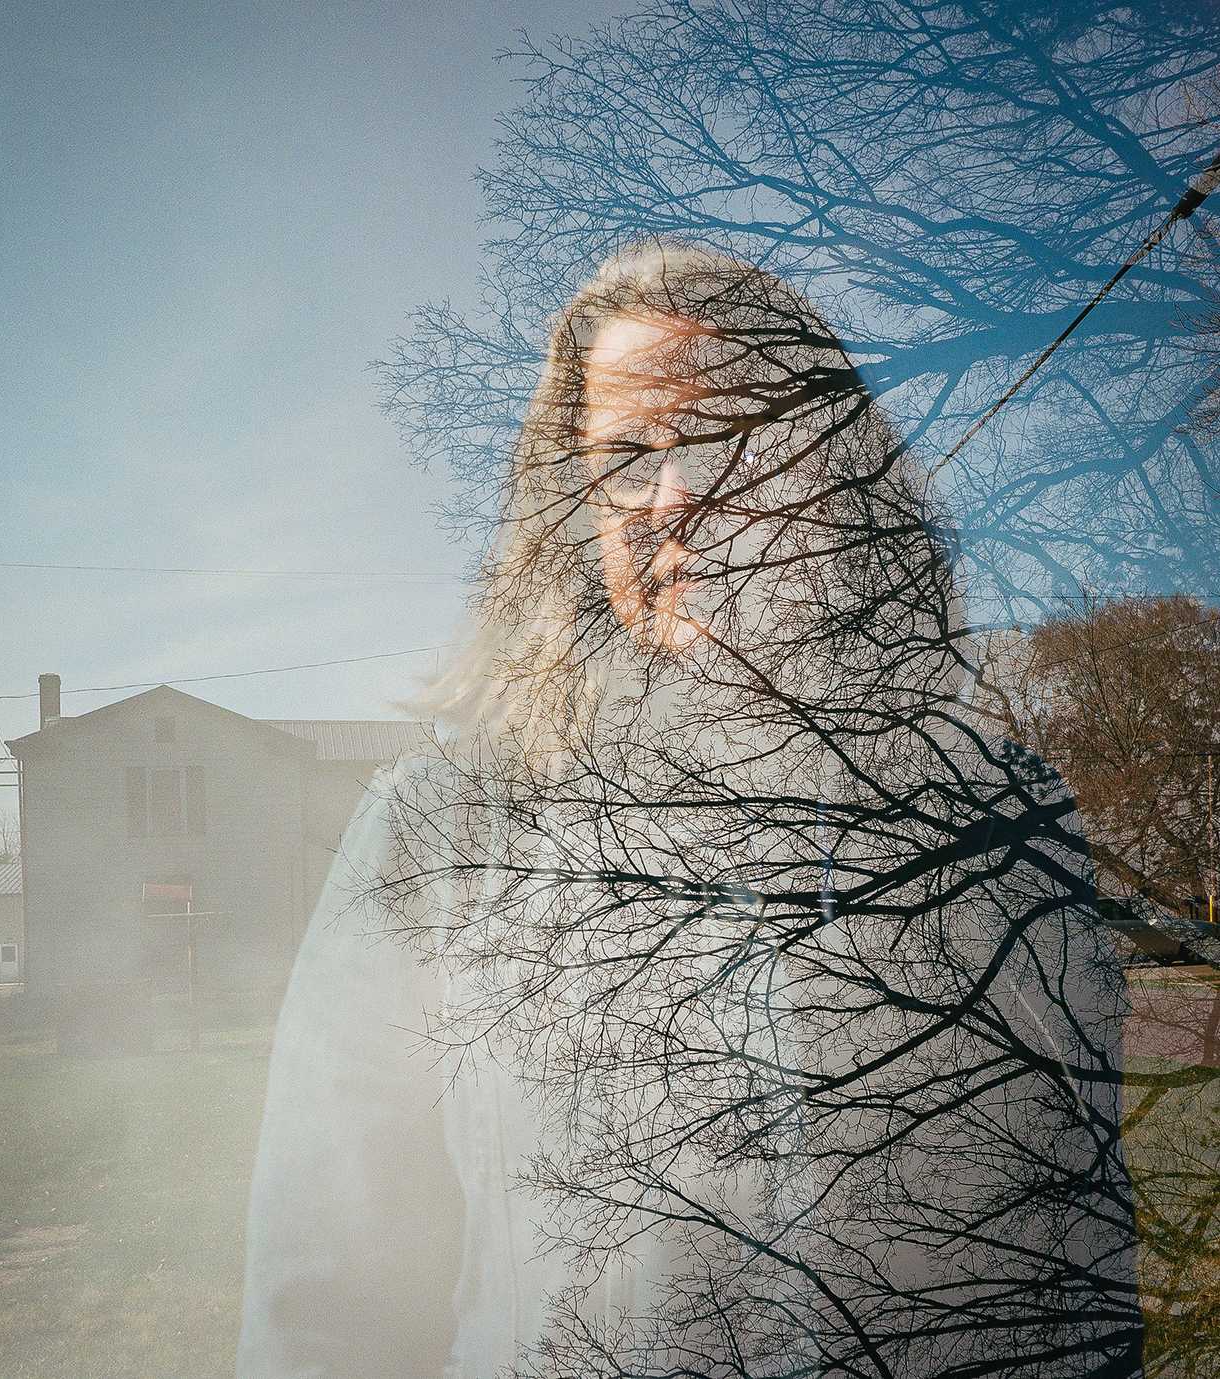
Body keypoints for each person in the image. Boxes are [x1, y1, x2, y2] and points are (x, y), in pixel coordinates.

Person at [237, 244, 1143, 1378]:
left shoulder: (1000, 814)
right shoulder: (443, 833)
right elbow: (325, 1312)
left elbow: (1078, 1270)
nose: (676, 497)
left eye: (731, 435)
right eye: (625, 456)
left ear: (838, 469)